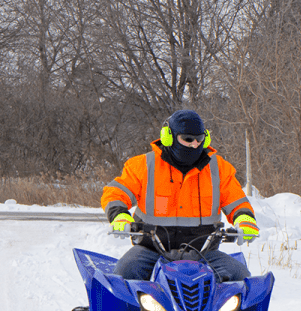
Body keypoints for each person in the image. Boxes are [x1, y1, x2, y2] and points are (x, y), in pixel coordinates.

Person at [101, 109, 260, 282]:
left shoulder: (219, 169)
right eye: (188, 139)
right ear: (168, 137)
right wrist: (120, 216)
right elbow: (115, 193)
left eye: (199, 140)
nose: (194, 145)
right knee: (122, 276)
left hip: (204, 254)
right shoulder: (144, 165)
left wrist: (245, 220)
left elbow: (237, 201)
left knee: (242, 278)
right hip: (150, 251)